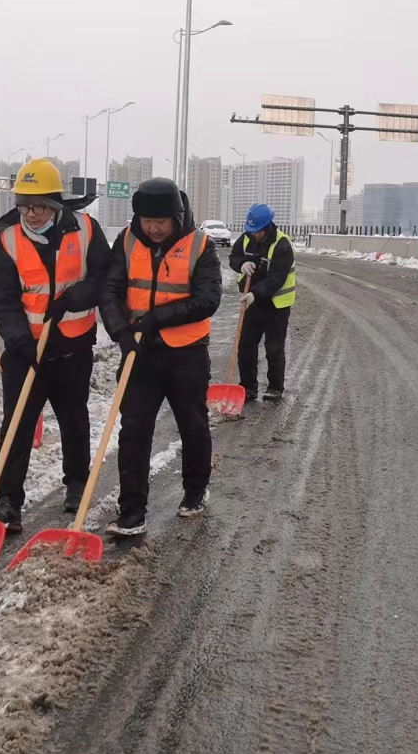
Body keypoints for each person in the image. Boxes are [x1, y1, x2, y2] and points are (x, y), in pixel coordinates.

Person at [0, 158, 110, 532]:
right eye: (24, 205)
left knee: (74, 417)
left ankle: (76, 483)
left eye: (38, 205)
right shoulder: (6, 240)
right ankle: (7, 501)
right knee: (18, 423)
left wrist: (76, 298)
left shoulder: (86, 229)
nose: (31, 213)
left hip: (72, 346)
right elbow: (2, 298)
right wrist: (19, 340)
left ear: (55, 203)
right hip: (26, 351)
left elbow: (104, 275)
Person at [97, 177, 222, 537]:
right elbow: (110, 289)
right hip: (141, 353)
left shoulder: (200, 246)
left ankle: (194, 492)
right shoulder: (126, 241)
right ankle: (133, 511)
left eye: (161, 221)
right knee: (134, 430)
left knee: (193, 426)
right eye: (147, 220)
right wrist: (121, 333)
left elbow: (207, 300)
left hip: (186, 355)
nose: (153, 228)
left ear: (177, 216)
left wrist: (157, 319)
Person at [228, 203, 296, 403]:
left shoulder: (282, 245)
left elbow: (277, 278)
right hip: (252, 303)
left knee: (273, 347)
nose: (253, 234)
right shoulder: (246, 238)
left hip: (276, 305)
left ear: (266, 227)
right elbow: (234, 257)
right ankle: (248, 387)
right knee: (246, 345)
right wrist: (242, 264)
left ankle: (275, 388)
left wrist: (255, 294)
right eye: (251, 230)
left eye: (257, 230)